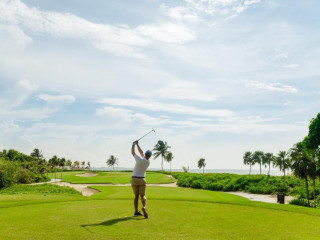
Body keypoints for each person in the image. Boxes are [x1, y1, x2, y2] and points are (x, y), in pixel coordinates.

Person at [131, 140, 152, 219]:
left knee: (136, 196)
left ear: (145, 154)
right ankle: (144, 207)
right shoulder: (148, 162)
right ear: (149, 156)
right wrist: (137, 144)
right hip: (142, 179)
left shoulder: (139, 159)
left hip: (134, 179)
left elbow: (133, 152)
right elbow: (141, 152)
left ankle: (136, 211)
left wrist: (133, 145)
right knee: (143, 196)